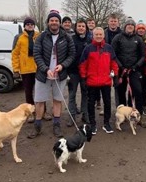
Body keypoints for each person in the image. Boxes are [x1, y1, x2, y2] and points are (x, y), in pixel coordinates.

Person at [28, 10, 75, 139]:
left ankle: (56, 125)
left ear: (59, 23)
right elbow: (37, 55)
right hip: (43, 75)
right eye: (52, 20)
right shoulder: (41, 37)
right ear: (48, 22)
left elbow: (72, 54)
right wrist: (45, 68)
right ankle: (37, 126)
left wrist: (63, 65)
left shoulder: (66, 37)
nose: (54, 22)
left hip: (59, 75)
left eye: (56, 20)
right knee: (39, 101)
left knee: (57, 100)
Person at [79, 27, 119, 134]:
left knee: (107, 103)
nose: (98, 36)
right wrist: (83, 78)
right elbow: (83, 64)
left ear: (103, 35)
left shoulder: (109, 48)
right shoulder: (88, 48)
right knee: (91, 103)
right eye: (96, 34)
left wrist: (115, 76)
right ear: (93, 35)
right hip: (92, 82)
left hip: (105, 81)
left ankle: (107, 123)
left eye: (100, 34)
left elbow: (114, 63)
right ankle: (92, 124)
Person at [111, 17, 146, 128]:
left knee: (138, 92)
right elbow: (113, 54)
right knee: (121, 93)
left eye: (132, 25)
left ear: (134, 27)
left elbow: (143, 56)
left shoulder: (138, 39)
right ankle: (121, 116)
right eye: (128, 25)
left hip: (134, 70)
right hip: (121, 71)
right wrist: (121, 66)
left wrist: (135, 66)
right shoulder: (118, 38)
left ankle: (139, 116)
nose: (130, 27)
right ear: (125, 26)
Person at [12, 17, 40, 123]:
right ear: (24, 26)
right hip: (25, 70)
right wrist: (16, 69)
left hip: (38, 69)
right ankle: (31, 113)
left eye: (31, 24)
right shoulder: (19, 37)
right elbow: (15, 54)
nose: (30, 26)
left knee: (40, 92)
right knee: (28, 93)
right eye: (27, 24)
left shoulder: (38, 36)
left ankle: (43, 111)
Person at [66, 18, 91, 127]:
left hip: (86, 73)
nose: (81, 28)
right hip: (73, 72)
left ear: (86, 28)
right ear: (75, 28)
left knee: (85, 94)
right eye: (79, 26)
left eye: (83, 26)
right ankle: (72, 116)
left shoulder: (90, 40)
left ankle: (85, 114)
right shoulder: (70, 39)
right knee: (72, 95)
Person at [105, 13, 122, 109]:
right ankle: (106, 108)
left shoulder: (122, 34)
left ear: (118, 23)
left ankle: (118, 108)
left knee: (118, 87)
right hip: (105, 63)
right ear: (108, 22)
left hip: (118, 63)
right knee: (105, 87)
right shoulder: (103, 33)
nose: (113, 23)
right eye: (111, 21)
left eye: (115, 21)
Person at [135, 19, 146, 115]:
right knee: (135, 88)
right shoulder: (133, 39)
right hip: (136, 67)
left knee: (143, 88)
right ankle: (134, 106)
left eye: (142, 28)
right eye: (139, 28)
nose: (140, 30)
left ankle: (143, 106)